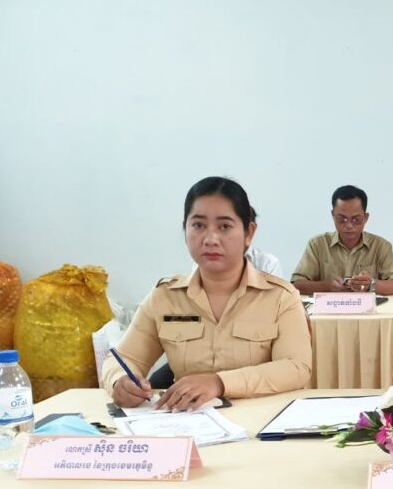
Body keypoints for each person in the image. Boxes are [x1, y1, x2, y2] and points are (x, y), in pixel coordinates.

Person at [102, 176, 312, 411]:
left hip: (261, 422)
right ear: (185, 230)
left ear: (249, 233)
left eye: (225, 226)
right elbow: (124, 358)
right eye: (199, 225)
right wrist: (120, 382)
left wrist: (219, 382)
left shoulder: (281, 297)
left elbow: (295, 367)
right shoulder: (165, 297)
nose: (211, 239)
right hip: (187, 422)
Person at [292, 185, 393, 295]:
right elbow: (296, 285)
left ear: (365, 217)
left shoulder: (380, 246)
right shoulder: (317, 245)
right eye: (342, 219)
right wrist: (327, 286)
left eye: (356, 219)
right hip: (329, 307)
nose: (349, 225)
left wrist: (371, 285)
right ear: (333, 215)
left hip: (368, 307)